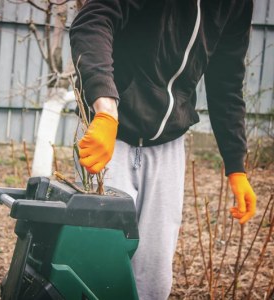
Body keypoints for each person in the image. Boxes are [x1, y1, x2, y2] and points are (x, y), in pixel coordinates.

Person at [69, 0, 257, 299]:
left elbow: (226, 81)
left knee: (153, 278)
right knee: (96, 266)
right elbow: (92, 20)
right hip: (112, 136)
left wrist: (236, 166)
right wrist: (105, 107)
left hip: (169, 145)